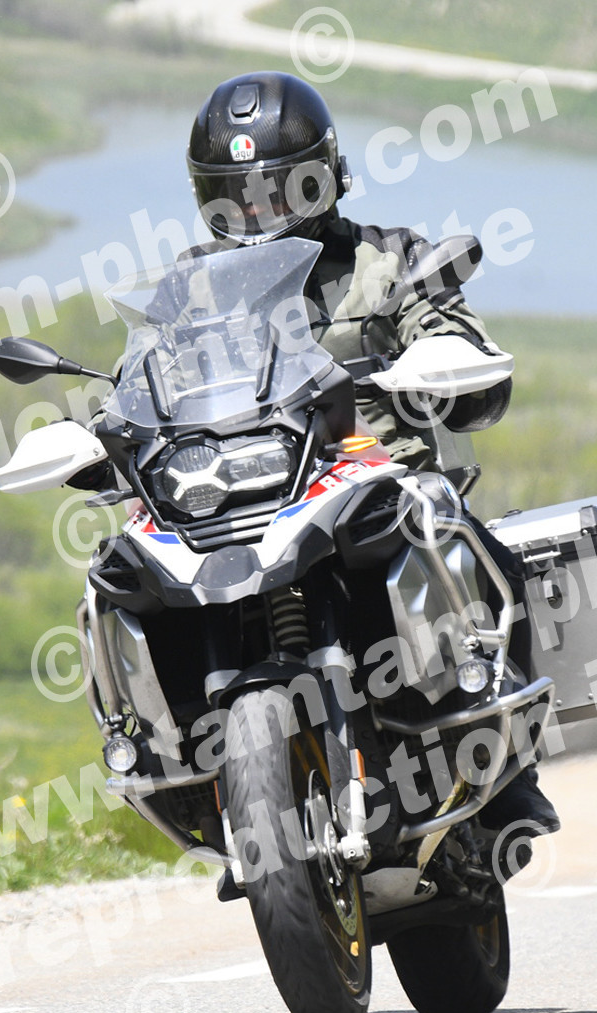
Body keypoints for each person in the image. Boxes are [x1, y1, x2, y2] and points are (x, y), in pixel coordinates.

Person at [184, 71, 559, 866]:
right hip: (249, 497)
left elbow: (444, 317)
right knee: (135, 572)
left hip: (379, 486)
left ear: (323, 178)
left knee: (483, 552)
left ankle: (511, 764)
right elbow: (147, 376)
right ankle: (187, 764)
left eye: (278, 190)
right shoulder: (194, 289)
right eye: (236, 196)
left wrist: (448, 354)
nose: (257, 211)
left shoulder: (386, 259)